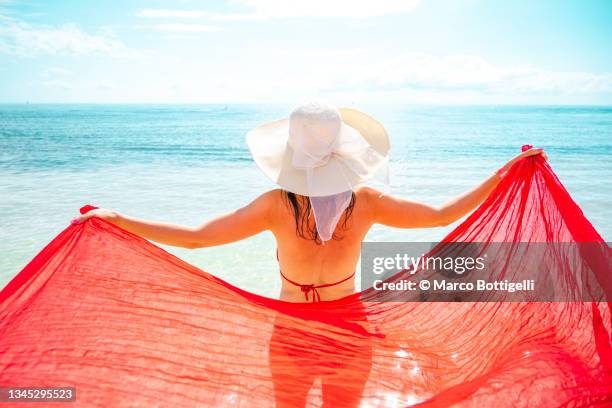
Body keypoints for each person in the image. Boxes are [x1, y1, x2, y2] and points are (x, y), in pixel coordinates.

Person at [72, 101, 547, 407]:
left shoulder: (276, 205)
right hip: (350, 327)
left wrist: (118, 218)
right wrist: (503, 174)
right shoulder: (367, 201)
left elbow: (197, 237)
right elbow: (443, 214)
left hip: (292, 329)